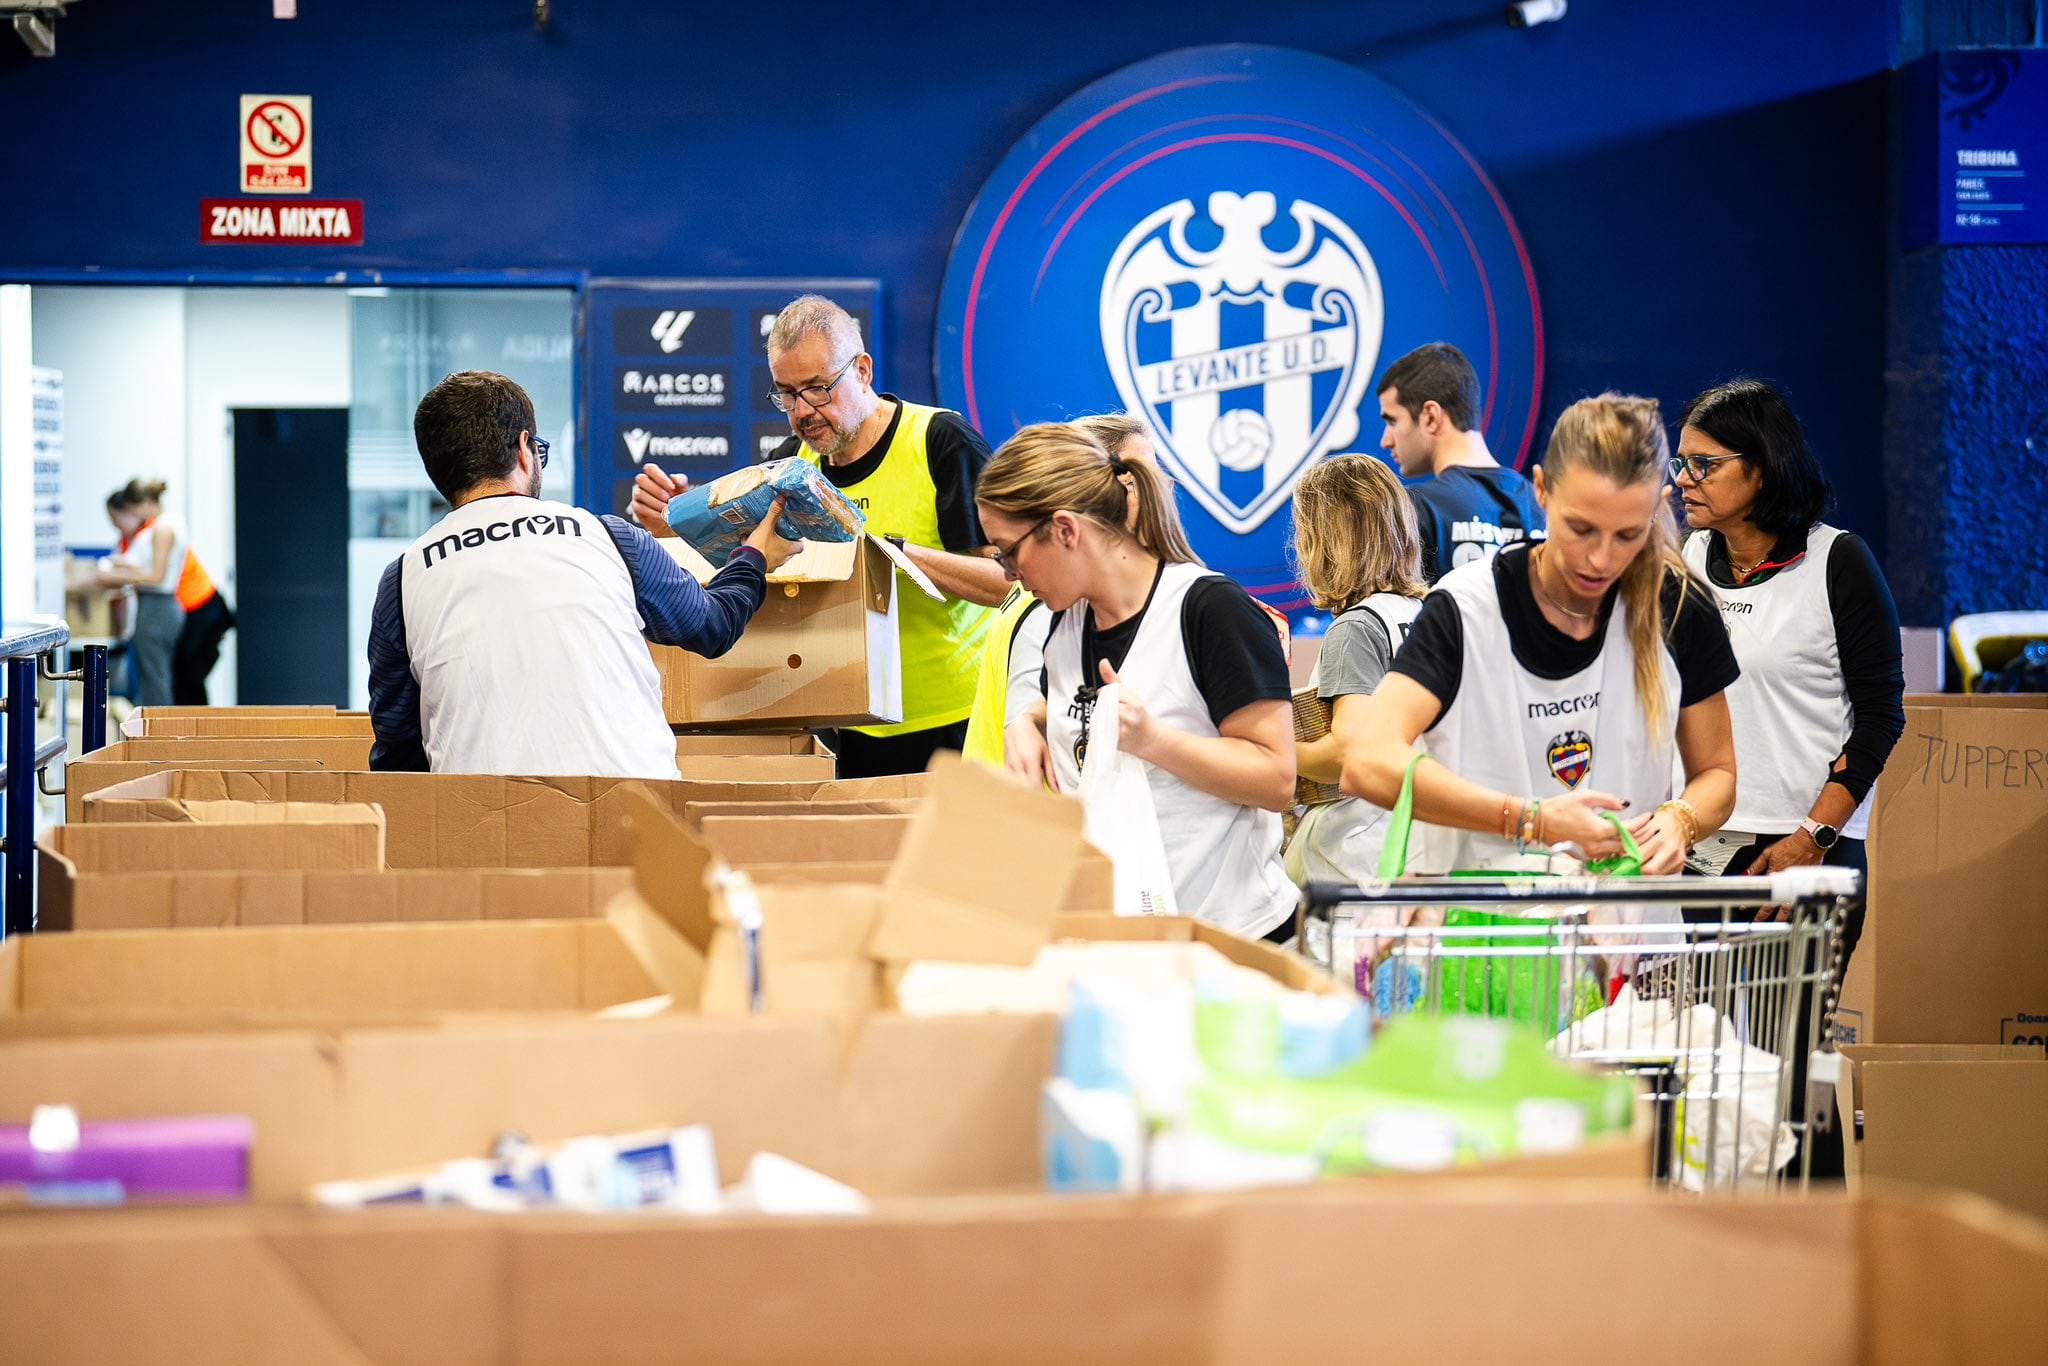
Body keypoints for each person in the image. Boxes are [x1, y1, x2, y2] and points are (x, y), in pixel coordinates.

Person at [1341, 393, 1740, 877]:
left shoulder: (1677, 605)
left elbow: (1717, 773)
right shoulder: (1467, 607)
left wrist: (1681, 819)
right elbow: (1366, 760)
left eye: (1628, 535)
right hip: (1482, 932)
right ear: (1542, 490)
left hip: (1628, 936)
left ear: (1658, 504)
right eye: (1581, 529)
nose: (1601, 559)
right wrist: (1530, 819)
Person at [632, 296, 1006, 778]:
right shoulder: (791, 463)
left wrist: (895, 555)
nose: (802, 411)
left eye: (817, 389)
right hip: (841, 721)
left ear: (864, 371)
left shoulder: (941, 442)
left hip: (952, 723)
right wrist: (676, 524)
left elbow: (1008, 584)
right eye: (786, 394)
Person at [368, 370, 795, 778]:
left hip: (488, 833)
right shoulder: (607, 537)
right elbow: (714, 626)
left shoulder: (403, 581)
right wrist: (754, 556)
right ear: (523, 449)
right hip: (640, 820)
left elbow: (397, 754)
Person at [980, 423, 1297, 941]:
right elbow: (1066, 710)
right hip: (1127, 943)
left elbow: (1277, 779)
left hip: (1233, 942)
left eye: (1008, 550)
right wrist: (1025, 722)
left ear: (1065, 530)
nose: (1009, 573)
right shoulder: (1063, 626)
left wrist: (1156, 742)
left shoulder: (1209, 610)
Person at [1673, 378, 1904, 891]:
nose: (1685, 479)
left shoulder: (1838, 561)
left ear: (1761, 469)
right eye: (1681, 463)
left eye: (1704, 464)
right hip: (1699, 841)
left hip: (1803, 848)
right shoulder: (1685, 558)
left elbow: (1881, 717)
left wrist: (1812, 837)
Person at [963, 412, 1172, 770]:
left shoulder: (1066, 594)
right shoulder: (1051, 605)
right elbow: (1051, 749)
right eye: (1137, 479)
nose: (1161, 488)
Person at [1283, 454, 1429, 886]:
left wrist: (1277, 752)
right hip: (1412, 845)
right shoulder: (1431, 612)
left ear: (1323, 541)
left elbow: (1350, 754)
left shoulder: (1356, 628)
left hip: (1354, 861)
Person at [1377, 342, 1545, 582]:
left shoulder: (1411, 508)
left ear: (1431, 416)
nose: (1385, 441)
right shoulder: (1542, 504)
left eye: (1392, 421)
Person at [91, 480, 232, 707]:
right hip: (168, 605)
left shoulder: (162, 529)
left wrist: (110, 576)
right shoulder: (166, 525)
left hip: (168, 606)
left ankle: (160, 735)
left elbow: (156, 576)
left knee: (159, 678)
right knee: (167, 678)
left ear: (145, 503)